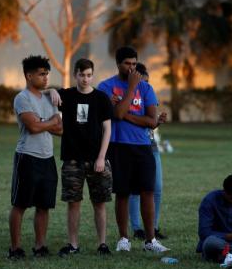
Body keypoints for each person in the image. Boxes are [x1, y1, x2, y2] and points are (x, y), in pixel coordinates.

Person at [98, 46, 169, 252]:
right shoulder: (106, 86)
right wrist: (130, 88)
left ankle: (150, 240)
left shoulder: (146, 88)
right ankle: (123, 239)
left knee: (148, 191)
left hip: (142, 146)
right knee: (123, 193)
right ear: (118, 64)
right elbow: (116, 115)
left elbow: (150, 121)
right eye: (127, 63)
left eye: (134, 63)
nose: (131, 68)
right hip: (118, 146)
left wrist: (124, 112)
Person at [53, 58, 113, 256]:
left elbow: (107, 129)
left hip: (97, 159)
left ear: (92, 75)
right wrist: (52, 90)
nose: (85, 79)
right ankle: (73, 245)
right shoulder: (67, 95)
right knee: (73, 203)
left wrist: (101, 158)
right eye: (81, 75)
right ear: (75, 75)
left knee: (100, 203)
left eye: (89, 75)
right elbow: (41, 93)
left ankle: (102, 244)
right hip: (72, 159)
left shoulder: (101, 98)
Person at [8, 55, 62, 259]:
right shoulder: (22, 98)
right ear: (29, 76)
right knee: (20, 204)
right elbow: (32, 127)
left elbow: (61, 129)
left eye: (47, 74)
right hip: (27, 157)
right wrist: (50, 121)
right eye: (41, 74)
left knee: (43, 205)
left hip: (47, 158)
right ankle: (15, 248)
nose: (46, 78)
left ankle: (40, 247)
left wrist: (44, 122)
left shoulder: (50, 98)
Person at [128, 62, 167, 240]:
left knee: (156, 187)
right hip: (133, 146)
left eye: (147, 82)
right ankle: (137, 228)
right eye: (141, 82)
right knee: (135, 190)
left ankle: (154, 226)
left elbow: (150, 124)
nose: (145, 86)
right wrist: (148, 121)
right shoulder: (128, 97)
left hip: (151, 145)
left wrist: (157, 122)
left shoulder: (149, 93)